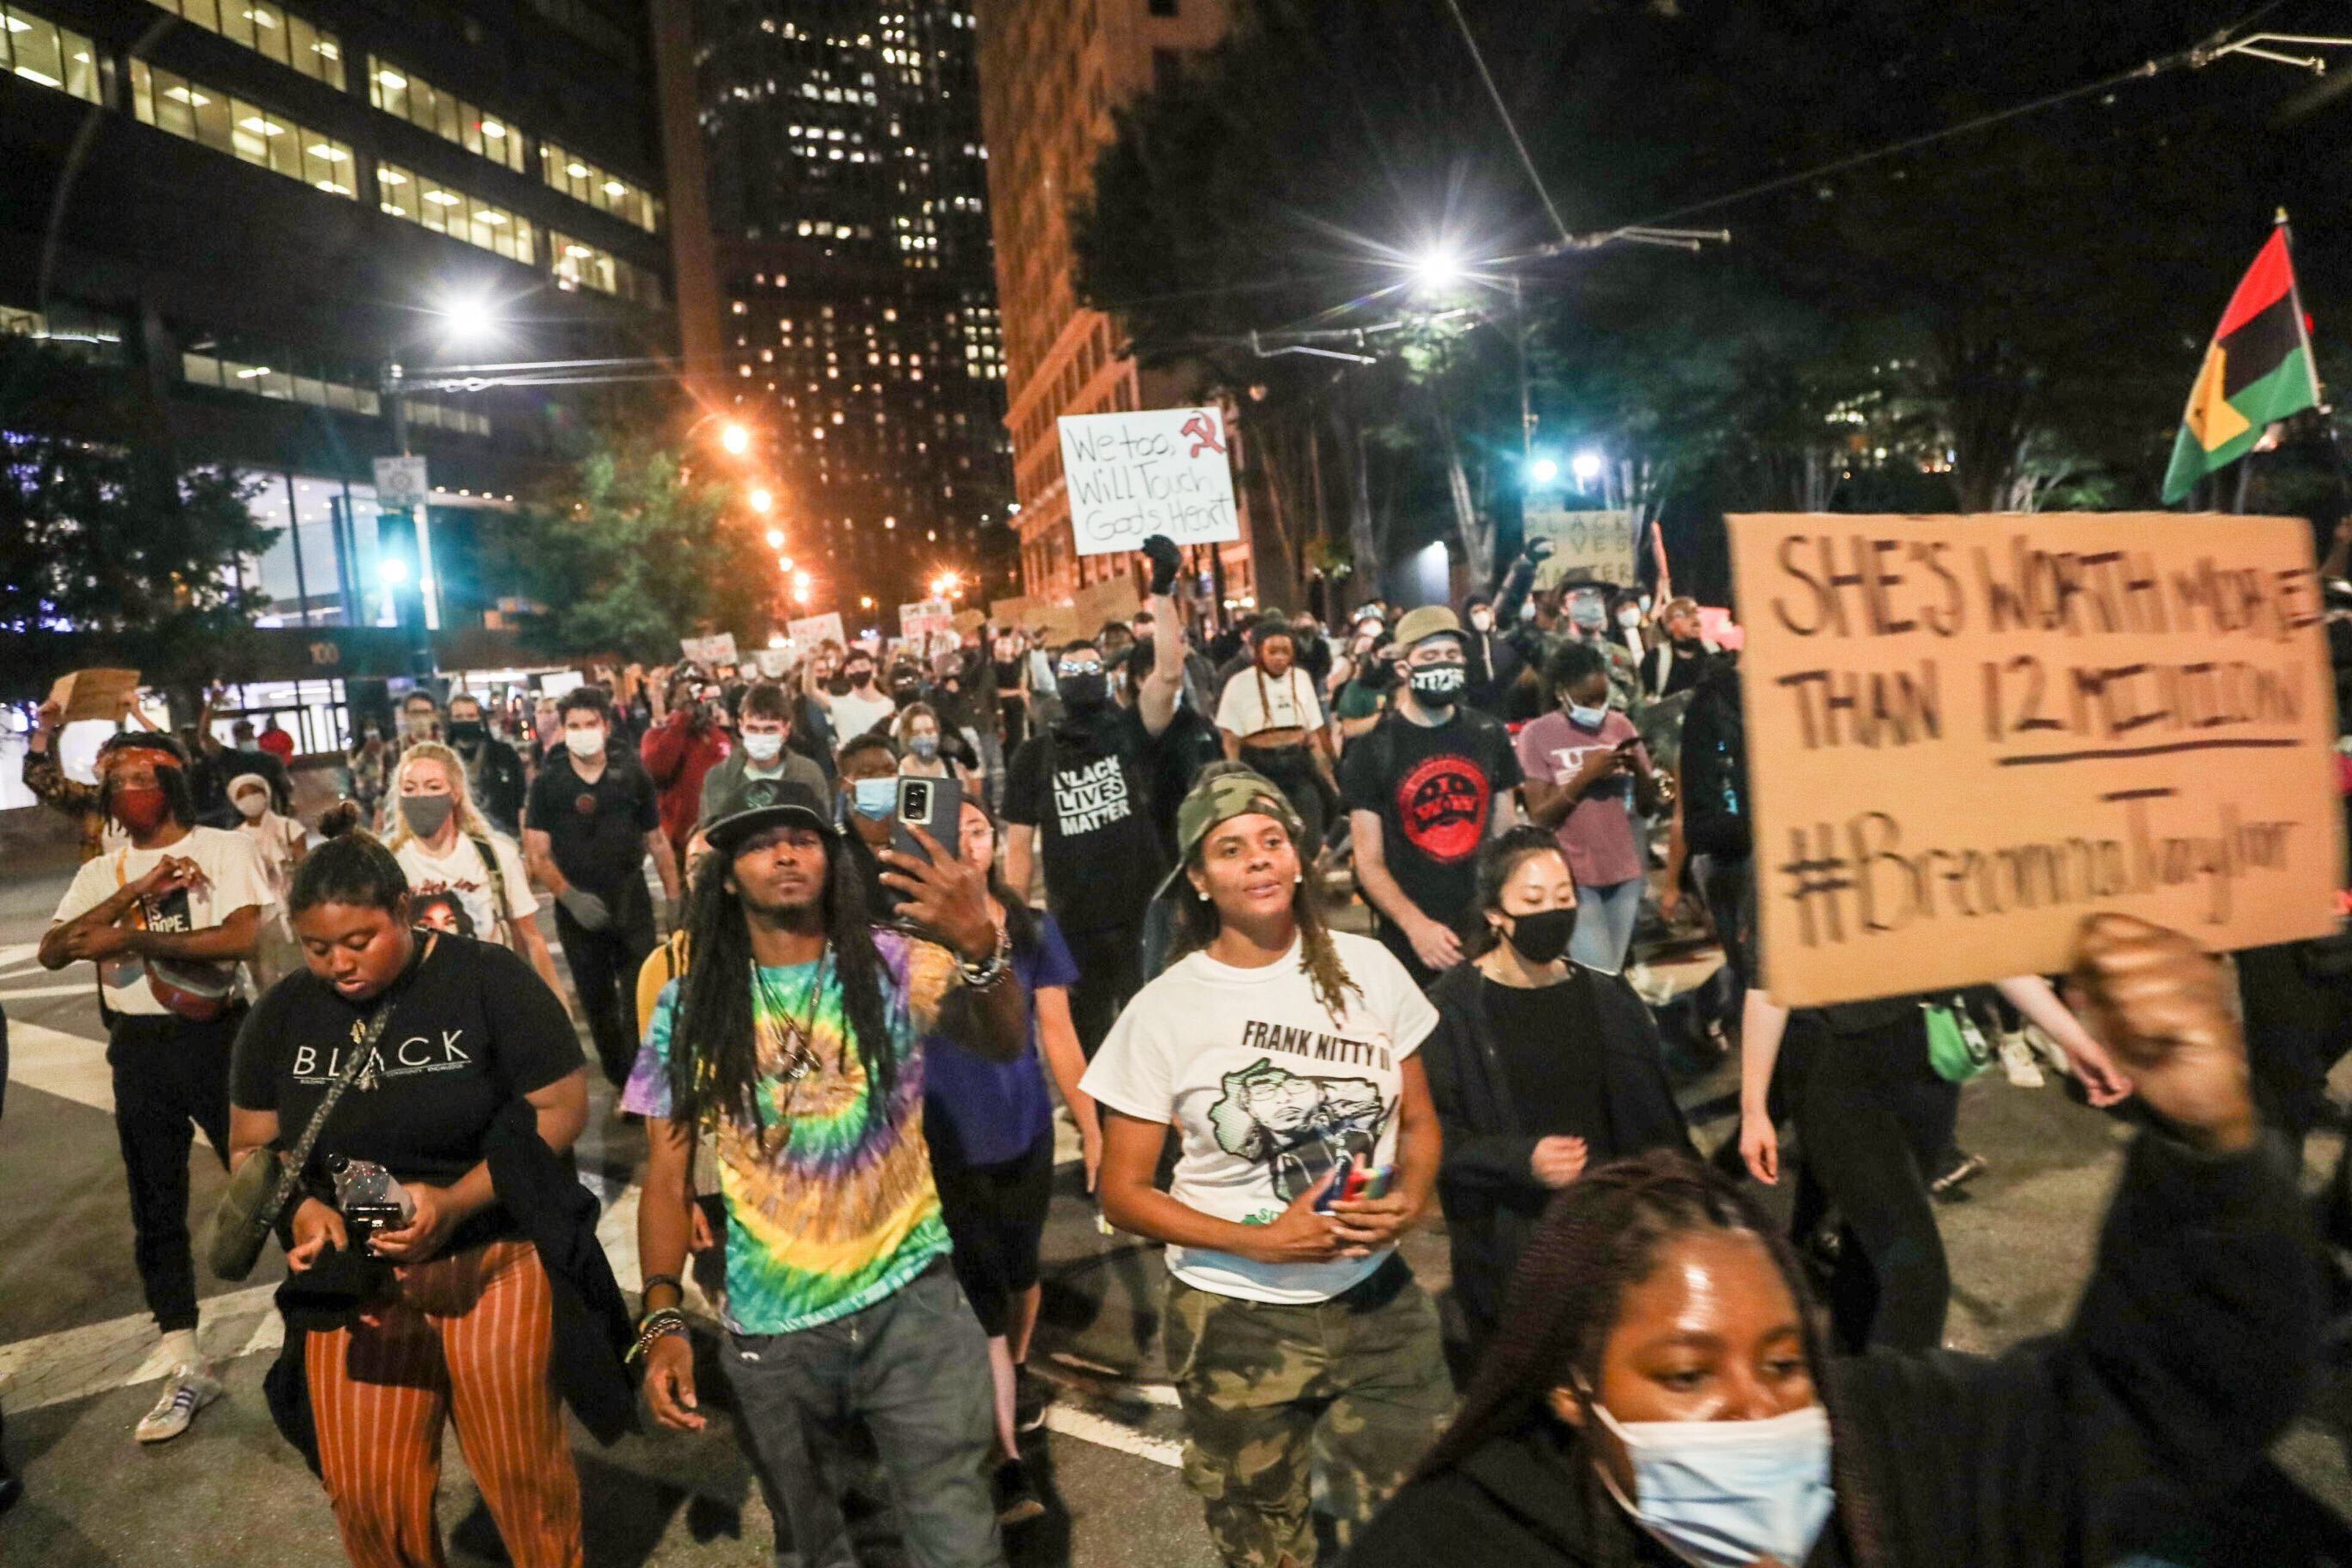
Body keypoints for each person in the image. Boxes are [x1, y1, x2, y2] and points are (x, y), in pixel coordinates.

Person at [1348, 914, 2321, 1568]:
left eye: (1785, 1361)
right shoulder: (1465, 1541)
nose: (1755, 1416)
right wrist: (1762, 1102)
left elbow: (2147, 1414)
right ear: (1572, 1388)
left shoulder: (1892, 1456)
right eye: (1687, 1376)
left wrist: (2210, 1149)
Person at [628, 772, 1030, 1568]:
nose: (785, 852)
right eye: (758, 839)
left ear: (831, 852)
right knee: (821, 1551)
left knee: (958, 1545)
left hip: (911, 1306)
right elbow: (666, 1176)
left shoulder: (895, 965)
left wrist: (982, 946)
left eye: (803, 835)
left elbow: (1004, 1041)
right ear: (724, 866)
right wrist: (663, 1317)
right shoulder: (689, 1004)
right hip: (777, 1341)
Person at [1083, 771, 1454, 1567]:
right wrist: (1259, 1242)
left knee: (1420, 1521)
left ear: (1299, 862)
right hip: (1234, 1319)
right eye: (1230, 848)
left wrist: (1414, 1198)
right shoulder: (1165, 1009)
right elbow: (1123, 1190)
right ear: (1199, 879)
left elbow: (1420, 1122)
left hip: (1378, 1305)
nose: (1257, 860)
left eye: (1272, 841)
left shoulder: (1371, 970)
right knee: (1264, 1544)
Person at [227, 833, 604, 1568]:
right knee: (369, 1493)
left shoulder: (489, 980)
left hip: (491, 1261)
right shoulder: (281, 1015)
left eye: (359, 940)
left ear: (404, 910)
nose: (339, 963)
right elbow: (251, 1144)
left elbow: (561, 1106)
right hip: (359, 1284)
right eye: (316, 947)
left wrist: (456, 1200)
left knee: (524, 1477)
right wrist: (308, 1211)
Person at [37, 732, 273, 1445]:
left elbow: (240, 939)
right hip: (137, 1048)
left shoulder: (224, 848)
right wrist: (136, 891)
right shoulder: (101, 871)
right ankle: (184, 1362)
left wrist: (135, 940)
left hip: (218, 1036)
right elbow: (54, 951)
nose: (126, 787)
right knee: (155, 1200)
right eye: (114, 777)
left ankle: (331, 1311)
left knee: (272, 1175)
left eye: (141, 773)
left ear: (173, 779)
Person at [1739, 976, 2131, 1354]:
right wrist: (1754, 1108)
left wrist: (2075, 1040)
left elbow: (1986, 945)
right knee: (1917, 1278)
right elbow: (1768, 978)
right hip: (1831, 1065)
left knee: (1870, 1254)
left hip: (1927, 1056)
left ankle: (1848, 1383)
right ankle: (1893, 1415)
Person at [1423, 828, 1691, 1360]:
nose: (1554, 911)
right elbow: (1433, 1139)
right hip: (1513, 1256)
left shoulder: (1608, 997)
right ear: (1495, 914)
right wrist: (1521, 1161)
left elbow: (1657, 1126)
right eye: (1534, 900)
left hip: (1611, 1241)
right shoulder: (1451, 1011)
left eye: (1564, 897)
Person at [925, 797, 1094, 1524]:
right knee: (981, 1290)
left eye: (977, 827)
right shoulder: (912, 933)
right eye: (952, 828)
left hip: (1023, 1131)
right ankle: (1005, 1460)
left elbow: (1058, 1031)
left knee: (1022, 1271)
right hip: (945, 1140)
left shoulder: (1030, 929)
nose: (967, 840)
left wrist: (1093, 1124)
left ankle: (1015, 1371)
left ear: (994, 841)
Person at [1003, 535, 1188, 1054]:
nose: (1084, 676)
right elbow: (1018, 847)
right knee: (1093, 1044)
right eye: (1073, 670)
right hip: (1075, 923)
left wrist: (1164, 590)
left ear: (1106, 680)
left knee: (1155, 1037)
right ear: (1058, 683)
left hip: (1141, 911)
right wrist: (1014, 920)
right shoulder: (1032, 757)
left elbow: (1169, 673)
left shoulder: (1130, 731)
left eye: (1092, 669)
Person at [1342, 606, 1523, 987]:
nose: (1443, 664)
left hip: (1484, 930)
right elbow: (1368, 862)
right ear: (1404, 668)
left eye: (1452, 656)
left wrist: (1508, 912)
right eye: (1429, 656)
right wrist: (1415, 926)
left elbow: (1507, 836)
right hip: (1411, 940)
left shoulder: (1489, 733)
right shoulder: (1373, 750)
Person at [522, 686, 679, 1090]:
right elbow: (538, 853)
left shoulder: (631, 776)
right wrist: (569, 897)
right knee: (597, 1004)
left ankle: (645, 1082)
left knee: (640, 996)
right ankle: (620, 1078)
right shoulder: (549, 784)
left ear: (606, 727)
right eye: (573, 725)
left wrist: (675, 898)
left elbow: (657, 840)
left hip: (630, 900)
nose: (582, 732)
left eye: (590, 724)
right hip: (578, 910)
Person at [1516, 641, 1662, 976]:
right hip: (1574, 873)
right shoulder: (1537, 735)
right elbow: (1540, 816)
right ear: (1561, 693)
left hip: (1623, 869)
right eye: (1586, 701)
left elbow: (1648, 805)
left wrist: (1640, 770)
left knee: (1614, 971)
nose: (1597, 709)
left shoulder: (1621, 726)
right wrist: (1586, 777)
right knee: (1598, 972)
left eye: (1602, 699)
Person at [386, 743, 566, 1002]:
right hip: (419, 1001)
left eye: (433, 787)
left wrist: (556, 1005)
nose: (421, 797)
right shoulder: (388, 861)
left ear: (455, 794)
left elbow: (531, 938)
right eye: (410, 789)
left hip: (490, 998)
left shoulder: (496, 854)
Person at [1214, 613, 1340, 851]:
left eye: (1286, 651)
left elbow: (1314, 732)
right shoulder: (1238, 682)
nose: (1280, 659)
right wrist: (1236, 779)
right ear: (1258, 651)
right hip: (1258, 766)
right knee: (1269, 833)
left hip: (1298, 763)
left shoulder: (1302, 678)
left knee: (1311, 831)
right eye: (1273, 652)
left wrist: (1329, 775)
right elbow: (1230, 739)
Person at [699, 680, 831, 823]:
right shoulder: (719, 777)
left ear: (786, 728)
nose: (760, 736)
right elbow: (709, 835)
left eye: (770, 729)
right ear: (741, 726)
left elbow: (822, 829)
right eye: (753, 729)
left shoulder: (808, 774)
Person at [643, 673, 734, 867]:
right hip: (682, 841)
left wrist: (727, 731)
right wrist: (681, 720)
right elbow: (656, 770)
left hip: (723, 835)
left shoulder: (719, 734)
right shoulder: (658, 735)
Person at [231, 771, 309, 989]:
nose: (250, 799)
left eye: (254, 793)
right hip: (260, 913)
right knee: (266, 975)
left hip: (291, 905)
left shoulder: (288, 827)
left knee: (299, 966)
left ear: (266, 794)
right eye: (243, 796)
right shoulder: (236, 838)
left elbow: (304, 864)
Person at [444, 692, 529, 836]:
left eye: (471, 716)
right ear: (450, 720)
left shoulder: (504, 754)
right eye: (459, 717)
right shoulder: (443, 759)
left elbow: (521, 802)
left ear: (480, 719)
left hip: (504, 835)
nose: (465, 721)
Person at [1458, 594, 1522, 716]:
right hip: (1476, 710)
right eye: (1475, 612)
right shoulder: (1464, 646)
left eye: (1485, 610)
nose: (1481, 615)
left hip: (1508, 709)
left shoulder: (1506, 641)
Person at [1639, 595, 1714, 699]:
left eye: (1696, 612)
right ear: (1670, 625)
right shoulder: (1655, 660)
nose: (1694, 617)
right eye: (1685, 613)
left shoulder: (1715, 651)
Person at [897, 701, 982, 788]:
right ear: (906, 735)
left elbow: (968, 799)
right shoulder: (899, 771)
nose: (924, 737)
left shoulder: (953, 771)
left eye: (929, 731)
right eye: (917, 733)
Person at [824, 647, 900, 746]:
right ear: (847, 671)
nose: (859, 670)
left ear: (873, 667)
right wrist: (810, 664)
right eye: (853, 667)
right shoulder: (840, 704)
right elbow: (811, 692)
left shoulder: (889, 705)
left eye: (863, 665)